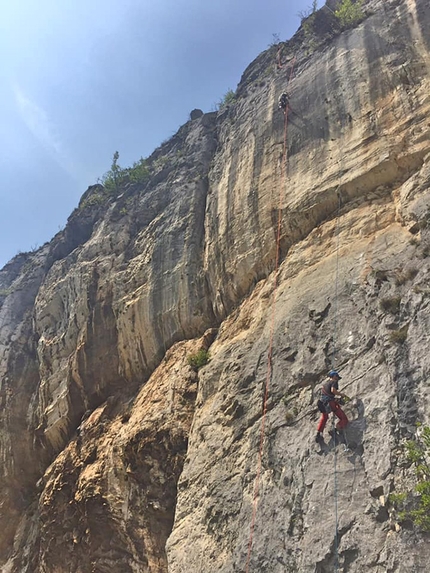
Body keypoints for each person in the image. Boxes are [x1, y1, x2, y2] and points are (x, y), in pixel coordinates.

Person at [315, 370, 349, 442]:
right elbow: (333, 391)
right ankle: (336, 429)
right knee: (344, 419)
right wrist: (341, 395)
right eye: (337, 377)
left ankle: (318, 434)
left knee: (325, 417)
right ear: (334, 376)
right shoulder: (334, 382)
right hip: (329, 403)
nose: (337, 379)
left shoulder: (324, 385)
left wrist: (335, 399)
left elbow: (328, 395)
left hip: (321, 403)